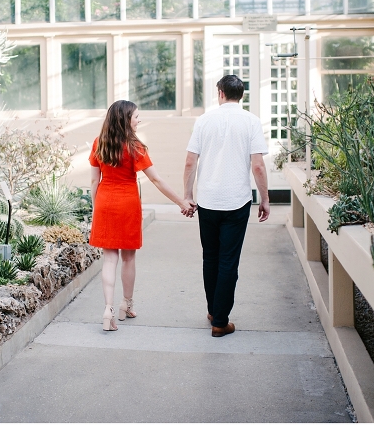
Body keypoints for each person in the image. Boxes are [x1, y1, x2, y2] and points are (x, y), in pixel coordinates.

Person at [89, 100, 194, 331]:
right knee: (128, 258)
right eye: (136, 116)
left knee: (109, 259)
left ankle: (108, 310)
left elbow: (94, 181)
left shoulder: (99, 143)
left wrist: (96, 210)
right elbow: (156, 179)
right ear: (125, 119)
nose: (139, 120)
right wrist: (181, 202)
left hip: (105, 202)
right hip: (127, 204)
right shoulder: (135, 146)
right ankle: (126, 304)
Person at [182, 74, 270, 337]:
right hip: (236, 202)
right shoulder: (251, 121)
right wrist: (265, 199)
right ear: (241, 95)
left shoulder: (203, 120)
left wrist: (187, 194)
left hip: (208, 201)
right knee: (228, 261)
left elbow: (190, 162)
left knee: (210, 257)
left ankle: (214, 310)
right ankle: (220, 321)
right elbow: (258, 165)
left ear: (220, 93)